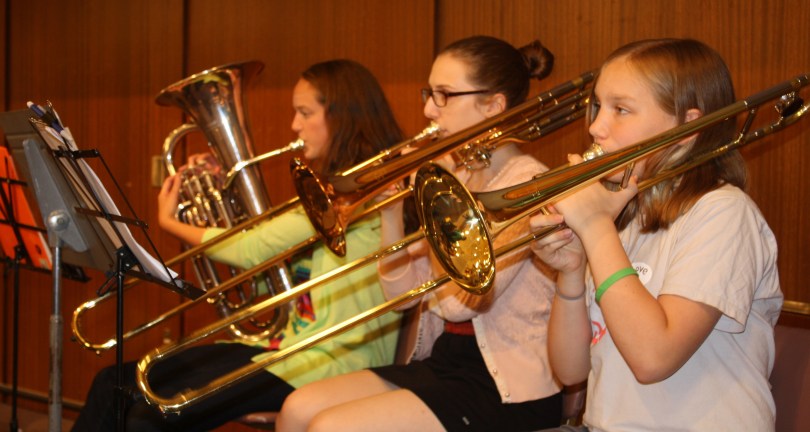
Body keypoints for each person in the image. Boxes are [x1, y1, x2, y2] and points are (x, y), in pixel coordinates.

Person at [71, 59, 405, 432]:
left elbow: (251, 249)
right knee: (113, 383)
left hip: (328, 363)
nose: (294, 125)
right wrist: (221, 198)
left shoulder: (362, 198)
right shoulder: (326, 192)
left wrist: (171, 223)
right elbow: (275, 277)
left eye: (305, 112)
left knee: (147, 419)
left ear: (343, 116)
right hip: (285, 351)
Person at [277, 35, 564, 432]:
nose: (429, 109)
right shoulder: (458, 175)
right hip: (445, 361)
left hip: (508, 384)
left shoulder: (528, 185)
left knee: (331, 427)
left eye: (444, 95)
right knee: (297, 408)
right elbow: (401, 297)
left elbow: (463, 304)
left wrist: (439, 204)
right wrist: (392, 213)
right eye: (429, 93)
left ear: (493, 106)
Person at [529, 38, 782, 431]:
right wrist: (571, 273)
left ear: (686, 127)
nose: (596, 127)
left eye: (621, 109)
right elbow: (571, 370)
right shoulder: (621, 216)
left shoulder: (724, 212)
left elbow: (653, 358)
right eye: (598, 106)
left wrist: (595, 229)